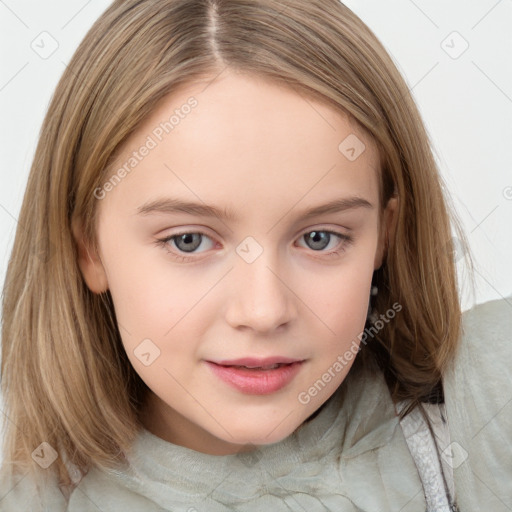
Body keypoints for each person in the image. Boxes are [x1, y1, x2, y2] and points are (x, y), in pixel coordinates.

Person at [1, 0, 510, 510]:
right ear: (89, 250)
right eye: (189, 241)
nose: (263, 311)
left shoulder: (484, 414)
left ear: (384, 235)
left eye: (320, 238)